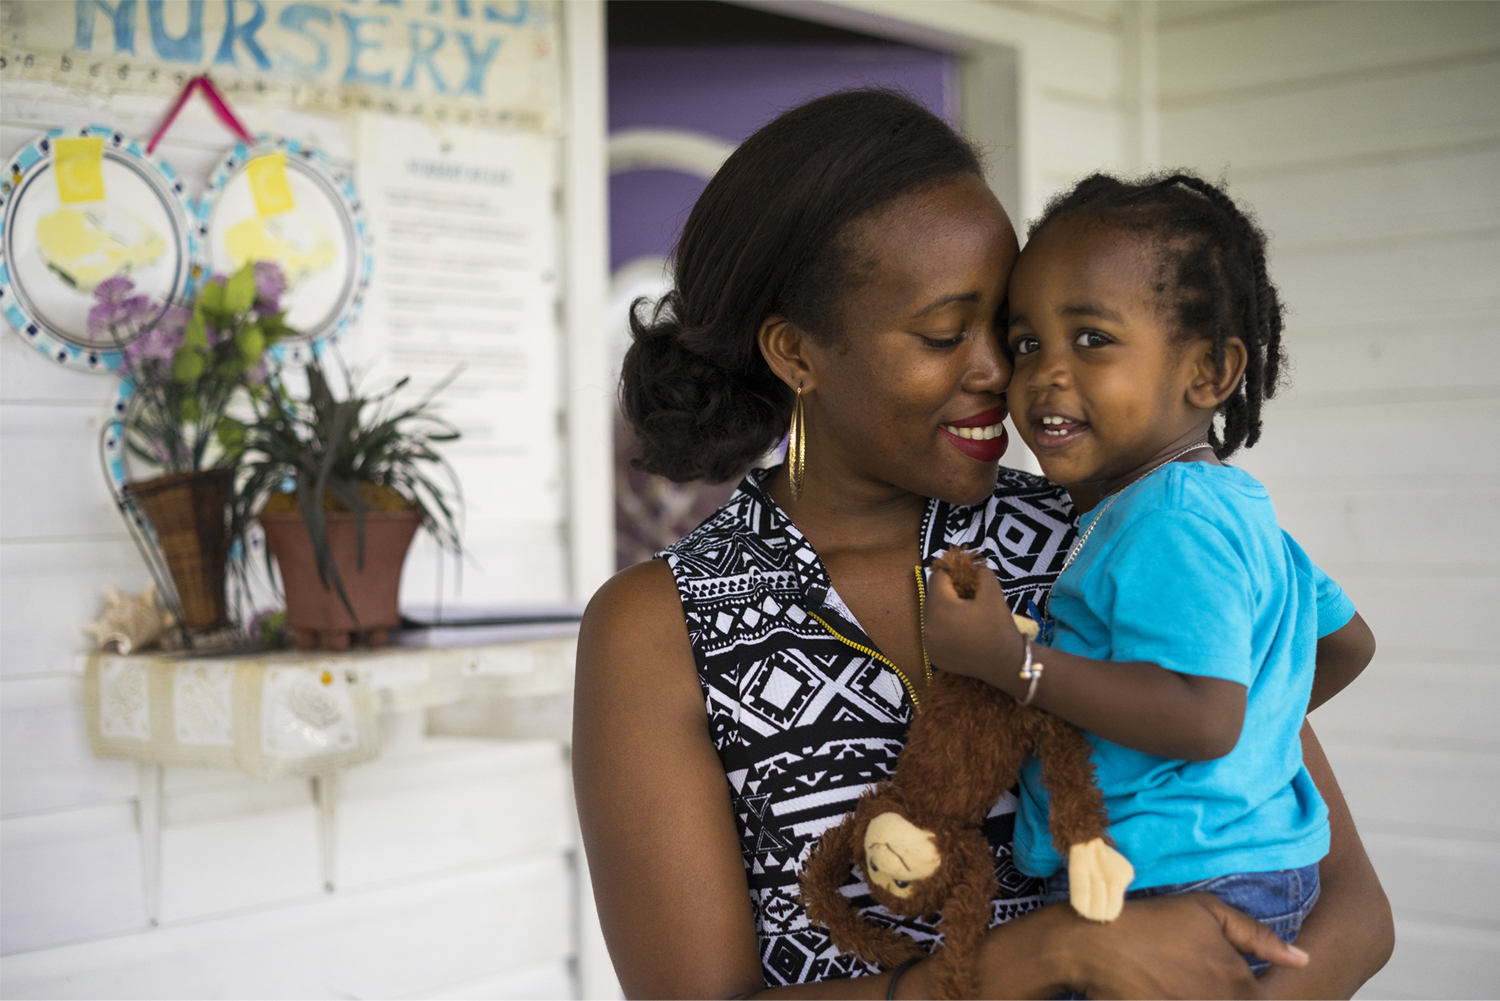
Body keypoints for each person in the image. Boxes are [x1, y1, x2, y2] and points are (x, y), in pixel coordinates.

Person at [574, 90, 1393, 999]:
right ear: (795, 353)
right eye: (942, 333)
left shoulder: (1110, 526)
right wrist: (1049, 955)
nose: (1007, 371)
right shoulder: (663, 628)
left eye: (1007, 326)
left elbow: (1353, 906)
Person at [921, 173, 1380, 971]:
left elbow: (1203, 719)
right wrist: (1261, 737)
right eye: (1028, 343)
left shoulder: (1171, 522)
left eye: (1092, 338)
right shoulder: (1231, 509)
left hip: (1187, 881)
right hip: (1239, 871)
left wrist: (1009, 661)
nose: (1046, 373)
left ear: (1208, 371)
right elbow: (1346, 643)